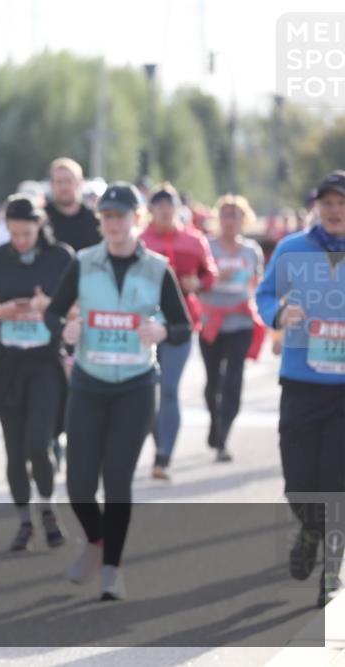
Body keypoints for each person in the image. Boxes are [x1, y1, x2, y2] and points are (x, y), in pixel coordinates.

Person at [45, 182, 191, 600]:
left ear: (136, 219)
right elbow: (54, 313)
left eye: (120, 216)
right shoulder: (83, 262)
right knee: (77, 484)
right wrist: (65, 329)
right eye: (106, 217)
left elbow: (182, 327)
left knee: (117, 479)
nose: (113, 224)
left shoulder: (157, 268)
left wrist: (162, 329)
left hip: (137, 386)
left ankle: (112, 568)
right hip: (89, 383)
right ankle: (96, 541)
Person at [0, 194, 73, 551]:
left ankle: (48, 510)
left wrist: (47, 306)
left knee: (39, 444)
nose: (20, 240)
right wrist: (2, 310)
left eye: (26, 233)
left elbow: (78, 309)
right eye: (13, 234)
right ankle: (25, 522)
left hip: (45, 363)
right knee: (14, 451)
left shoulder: (61, 257)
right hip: (8, 364)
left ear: (39, 225)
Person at [256, 170, 345, 607]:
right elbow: (265, 294)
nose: (335, 211)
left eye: (342, 203)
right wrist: (278, 314)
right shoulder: (292, 249)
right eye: (327, 203)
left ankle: (331, 572)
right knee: (298, 483)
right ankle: (309, 531)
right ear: (317, 206)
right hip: (300, 383)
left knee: (335, 482)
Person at [139, 183, 218, 480]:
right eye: (158, 208)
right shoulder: (140, 240)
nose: (164, 212)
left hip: (180, 324)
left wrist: (199, 283)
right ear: (150, 211)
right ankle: (159, 445)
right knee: (147, 391)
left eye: (169, 207)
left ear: (177, 210)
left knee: (169, 389)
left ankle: (164, 457)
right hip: (145, 323)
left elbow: (209, 274)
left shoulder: (194, 240)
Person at [199, 195, 266, 462]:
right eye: (225, 215)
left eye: (235, 216)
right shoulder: (207, 247)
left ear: (244, 220)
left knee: (233, 380)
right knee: (213, 381)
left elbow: (258, 284)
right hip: (212, 321)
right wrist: (213, 278)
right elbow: (197, 282)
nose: (229, 221)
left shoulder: (252, 251)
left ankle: (223, 435)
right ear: (218, 218)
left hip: (240, 321)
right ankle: (215, 424)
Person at [45, 157, 102, 252]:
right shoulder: (42, 220)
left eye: (68, 181)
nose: (64, 187)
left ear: (79, 182)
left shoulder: (95, 220)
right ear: (51, 184)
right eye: (59, 181)